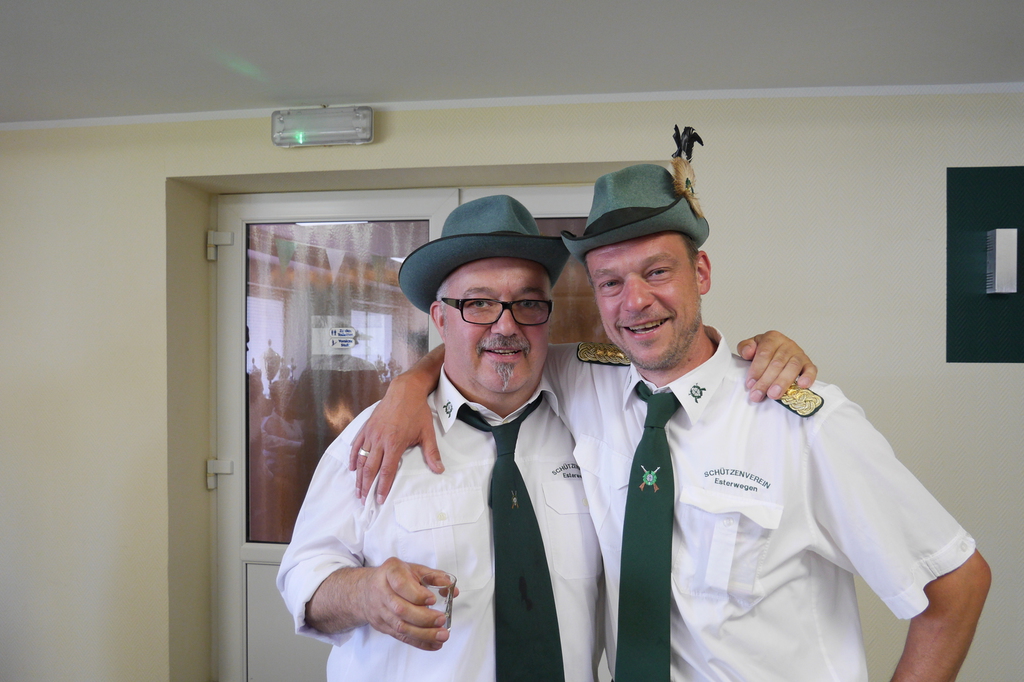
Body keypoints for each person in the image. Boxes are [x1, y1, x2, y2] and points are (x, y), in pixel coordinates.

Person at [353, 132, 991, 681]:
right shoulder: (589, 380)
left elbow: (957, 584)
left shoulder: (803, 421)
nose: (634, 301)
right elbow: (491, 347)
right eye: (610, 282)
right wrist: (407, 387)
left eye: (656, 272)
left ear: (701, 273)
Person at [277, 195, 605, 681]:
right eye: (478, 303)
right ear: (439, 317)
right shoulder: (377, 437)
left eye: (528, 302)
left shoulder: (595, 425)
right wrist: (366, 594)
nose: (506, 325)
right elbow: (304, 577)